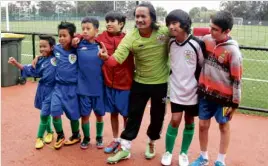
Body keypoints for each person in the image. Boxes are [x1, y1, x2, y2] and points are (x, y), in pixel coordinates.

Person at [99, 2, 170, 164]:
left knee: (157, 117)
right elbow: (116, 60)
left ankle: (151, 143)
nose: (139, 19)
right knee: (133, 117)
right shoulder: (131, 37)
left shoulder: (164, 32)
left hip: (160, 84)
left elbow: (182, 35)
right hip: (139, 82)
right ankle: (125, 149)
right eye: (137, 16)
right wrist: (106, 58)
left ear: (152, 18)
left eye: (143, 16)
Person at [190, 11, 243, 166]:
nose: (210, 31)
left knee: (223, 126)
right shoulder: (207, 40)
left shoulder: (233, 51)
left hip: (224, 98)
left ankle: (220, 160)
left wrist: (235, 103)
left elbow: (237, 79)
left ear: (227, 31)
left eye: (214, 29)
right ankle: (203, 157)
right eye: (210, 27)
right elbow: (190, 34)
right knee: (202, 125)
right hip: (205, 94)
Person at [161, 9, 206, 166]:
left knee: (189, 120)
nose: (171, 27)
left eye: (174, 23)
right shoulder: (170, 42)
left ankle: (184, 153)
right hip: (176, 89)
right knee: (175, 120)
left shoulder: (197, 44)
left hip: (192, 91)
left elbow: (202, 66)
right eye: (169, 24)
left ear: (184, 24)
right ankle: (167, 152)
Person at [8, 35, 56, 149]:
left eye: (45, 46)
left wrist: (38, 55)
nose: (42, 49)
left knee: (44, 113)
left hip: (54, 90)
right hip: (42, 89)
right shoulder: (40, 61)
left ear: (52, 47)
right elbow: (29, 69)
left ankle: (39, 137)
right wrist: (15, 63)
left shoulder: (57, 57)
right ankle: (50, 132)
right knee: (45, 111)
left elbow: (64, 47)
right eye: (40, 46)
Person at [97, 11, 134, 154]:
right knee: (113, 113)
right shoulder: (102, 37)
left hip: (125, 84)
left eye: (113, 21)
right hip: (108, 83)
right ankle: (116, 139)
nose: (108, 23)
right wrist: (78, 37)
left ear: (121, 24)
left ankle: (125, 141)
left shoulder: (128, 39)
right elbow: (89, 35)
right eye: (107, 21)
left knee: (125, 114)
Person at [76, 17, 106, 150]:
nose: (85, 31)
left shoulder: (101, 47)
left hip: (98, 89)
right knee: (85, 116)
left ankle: (99, 137)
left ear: (96, 31)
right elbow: (63, 45)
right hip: (83, 89)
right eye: (83, 29)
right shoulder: (77, 45)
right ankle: (86, 138)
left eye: (88, 29)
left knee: (99, 115)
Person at [50, 21, 81, 149]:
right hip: (58, 87)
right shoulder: (56, 48)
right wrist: (38, 57)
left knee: (73, 114)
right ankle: (60, 135)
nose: (61, 38)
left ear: (72, 36)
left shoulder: (78, 49)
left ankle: (76, 135)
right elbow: (46, 53)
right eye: (60, 35)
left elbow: (90, 39)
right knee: (54, 111)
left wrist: (79, 38)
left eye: (64, 36)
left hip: (72, 88)